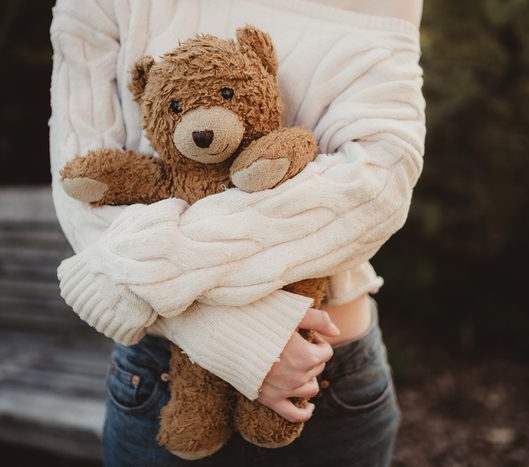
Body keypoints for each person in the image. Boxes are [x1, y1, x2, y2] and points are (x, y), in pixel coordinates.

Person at [49, 0, 425, 465]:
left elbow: (377, 186)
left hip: (324, 374)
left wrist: (135, 268)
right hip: (168, 373)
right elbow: (82, 187)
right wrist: (243, 338)